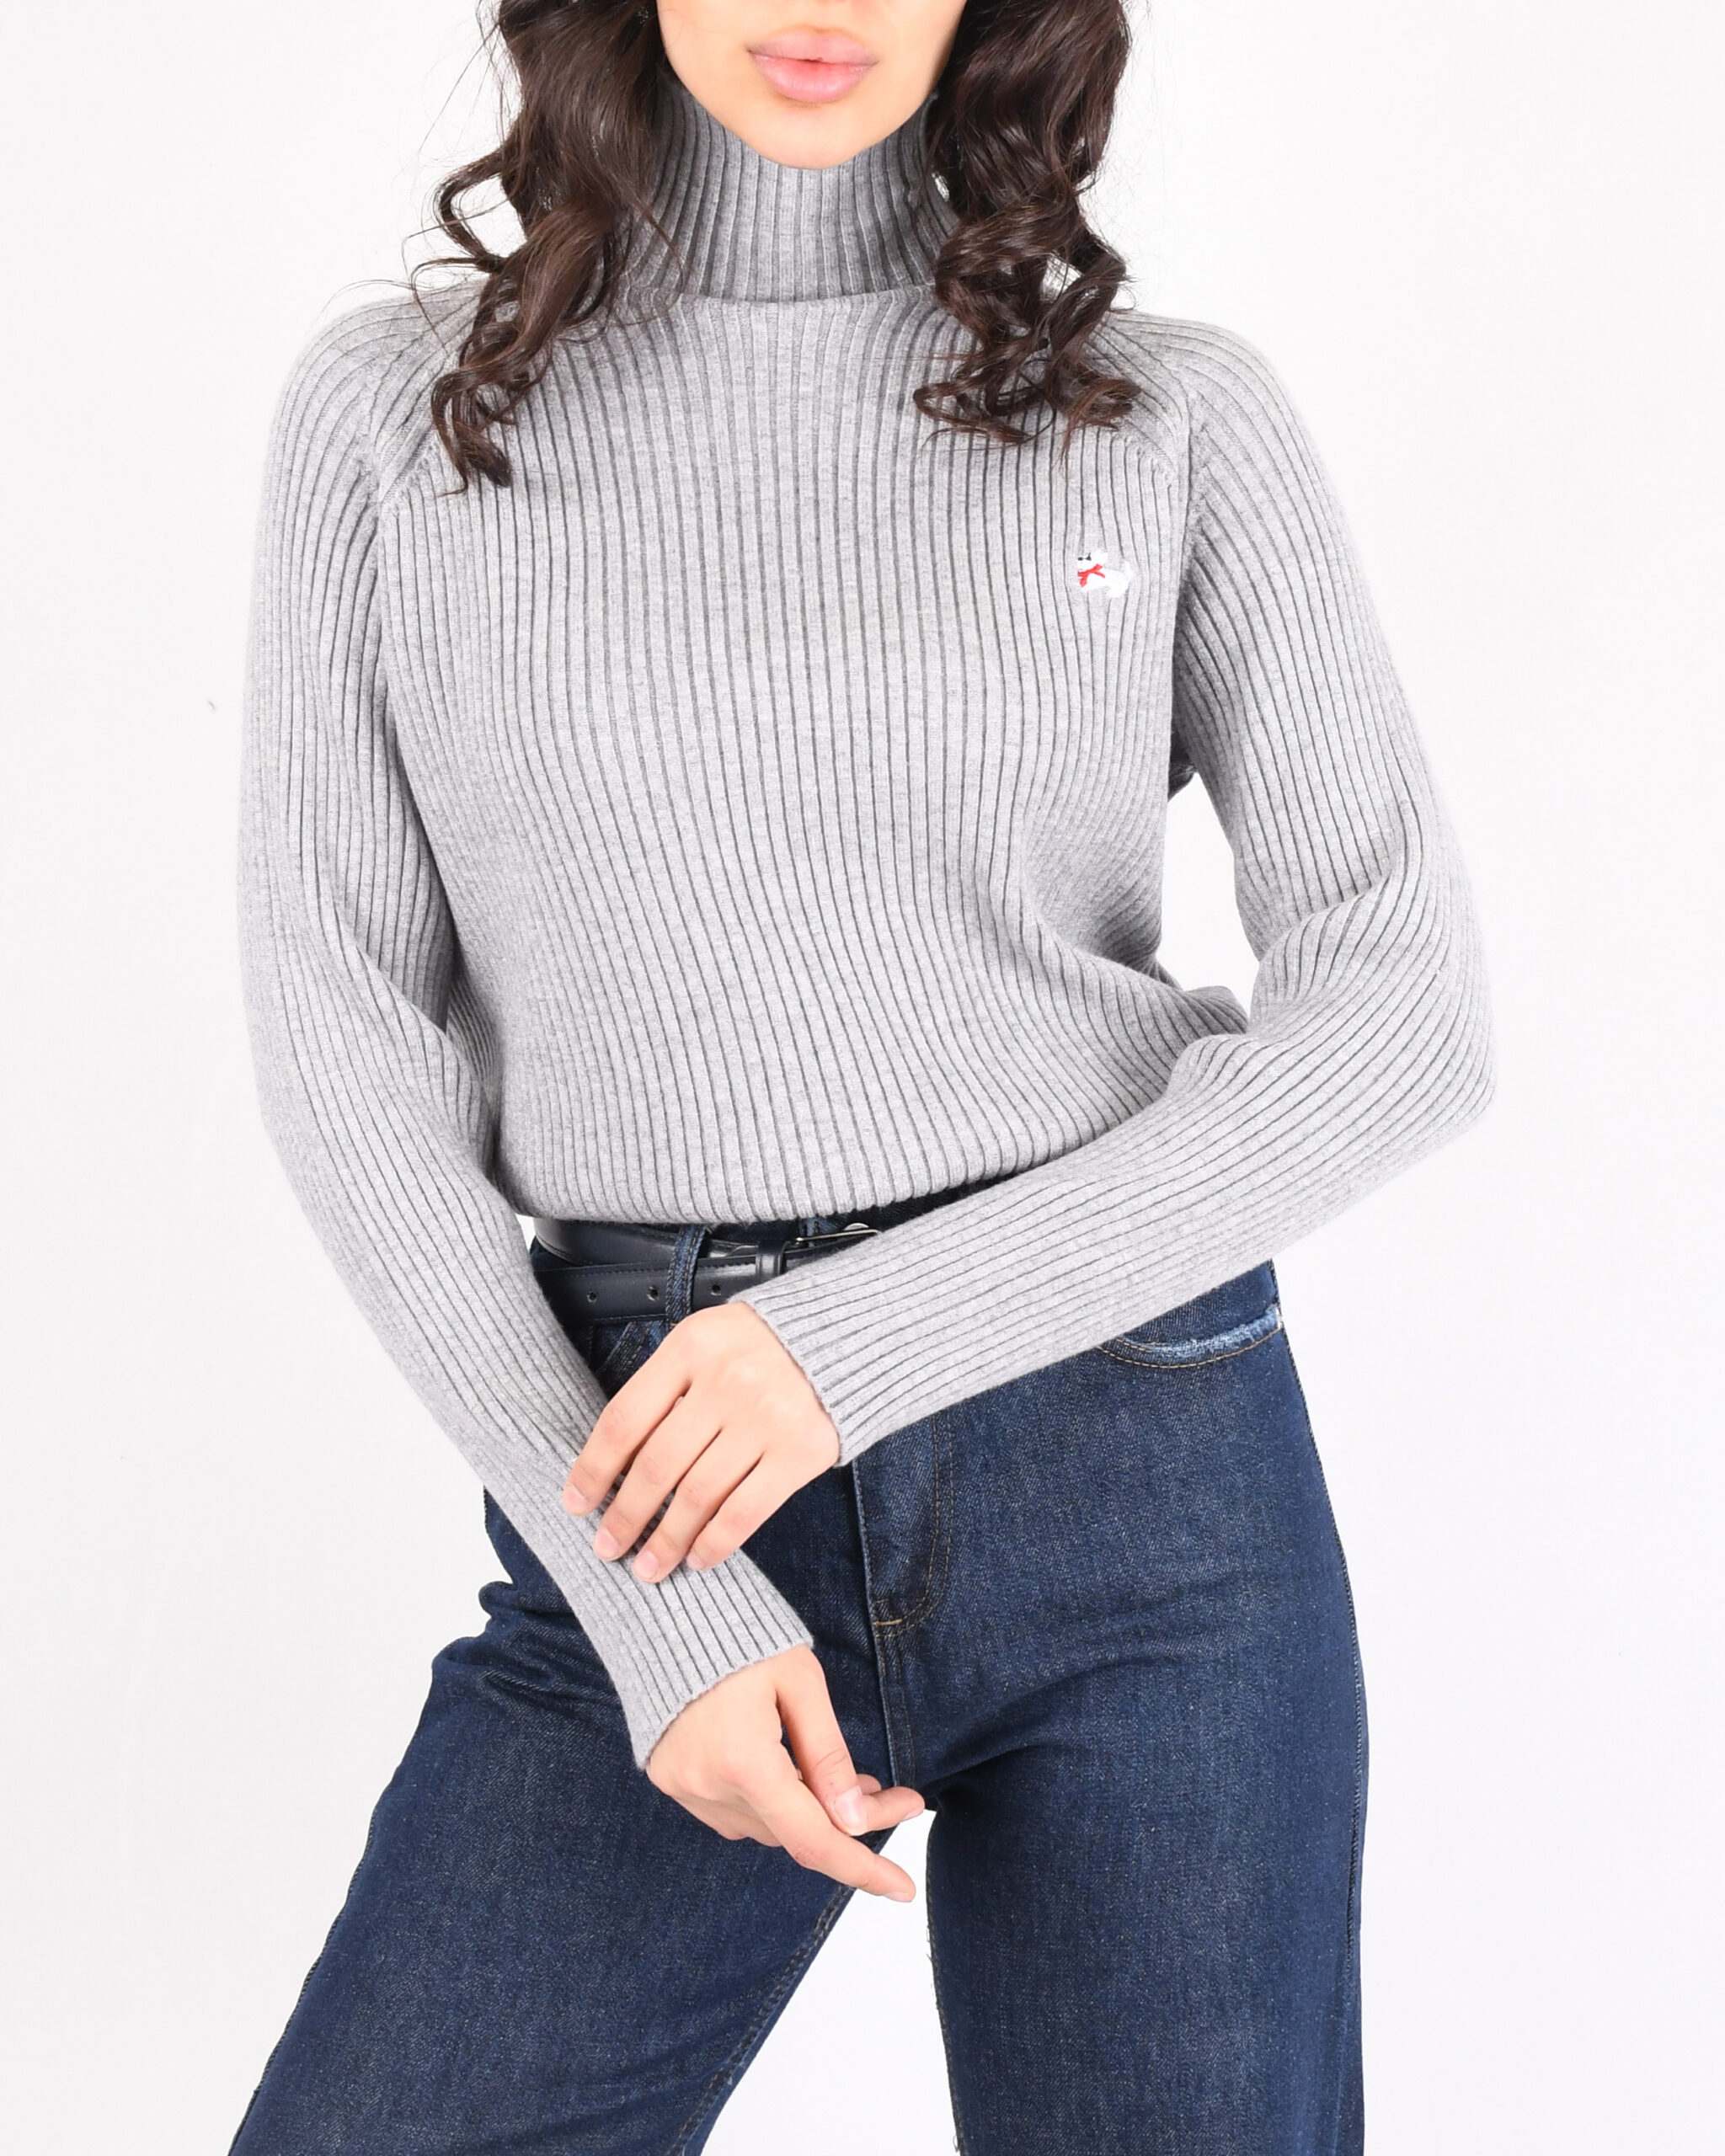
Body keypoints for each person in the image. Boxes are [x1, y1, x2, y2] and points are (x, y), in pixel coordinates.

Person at [230, 0, 1495, 2148]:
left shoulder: (1165, 415)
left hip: (1143, 1469)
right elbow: (343, 1035)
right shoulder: (404, 413)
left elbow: (1405, 1010)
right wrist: (651, 1604)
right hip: (652, 1476)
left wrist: (839, 1350)